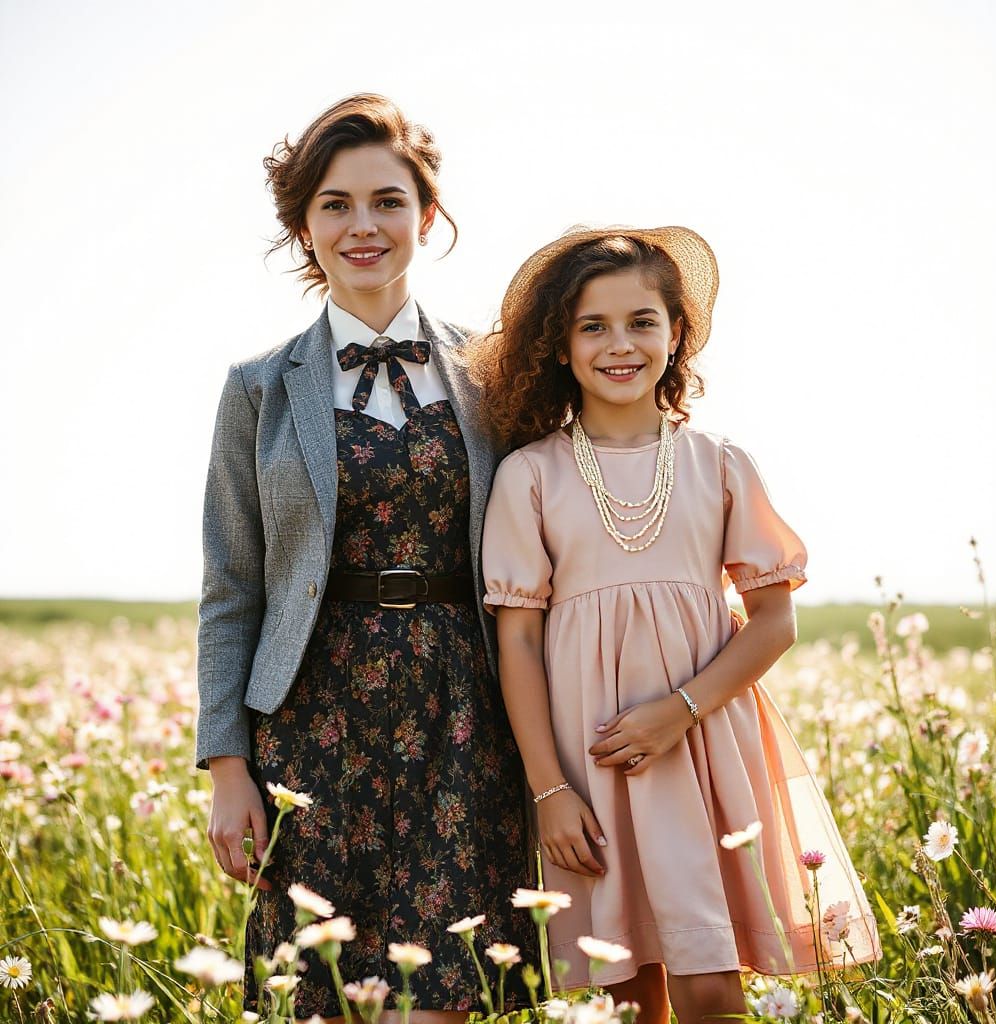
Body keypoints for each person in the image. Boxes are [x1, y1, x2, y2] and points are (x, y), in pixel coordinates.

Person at [475, 227, 881, 1024]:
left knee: (708, 978)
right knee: (626, 983)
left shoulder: (719, 464)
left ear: (676, 334)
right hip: (591, 762)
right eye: (593, 326)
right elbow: (517, 639)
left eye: (642, 321)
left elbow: (773, 623)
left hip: (700, 745)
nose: (619, 344)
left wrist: (679, 709)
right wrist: (549, 788)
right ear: (559, 344)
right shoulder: (530, 474)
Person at [196, 94, 534, 1024]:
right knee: (325, 999)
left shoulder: (496, 369)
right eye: (335, 205)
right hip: (311, 722)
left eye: (387, 201)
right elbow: (230, 587)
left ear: (427, 215)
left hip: (465, 710)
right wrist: (228, 766)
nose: (363, 226)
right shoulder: (257, 388)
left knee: (443, 995)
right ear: (304, 227)